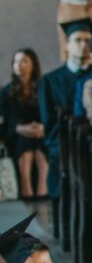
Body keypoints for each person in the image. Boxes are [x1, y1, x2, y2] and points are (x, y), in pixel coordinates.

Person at [39, 19, 92, 203]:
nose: (83, 46)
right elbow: (48, 121)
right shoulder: (50, 81)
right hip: (64, 146)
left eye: (88, 41)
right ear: (67, 46)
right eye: (78, 40)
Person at [2, 49, 46, 199]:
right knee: (24, 142)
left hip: (39, 131)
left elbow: (46, 112)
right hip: (17, 134)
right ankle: (25, 187)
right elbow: (7, 119)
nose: (19, 65)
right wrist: (20, 128)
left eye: (24, 61)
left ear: (33, 64)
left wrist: (41, 127)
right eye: (16, 62)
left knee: (41, 143)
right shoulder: (6, 92)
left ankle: (42, 186)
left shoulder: (41, 88)